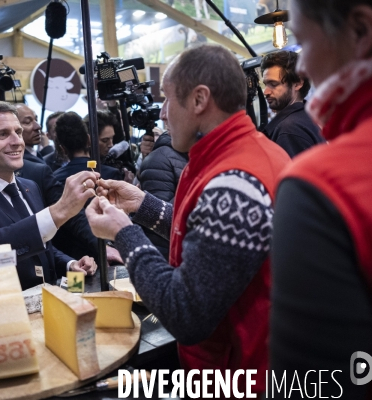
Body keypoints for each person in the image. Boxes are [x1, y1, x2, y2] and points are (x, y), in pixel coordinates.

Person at [85, 44, 290, 395]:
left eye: (168, 100)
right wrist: (145, 206)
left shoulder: (235, 182)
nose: (163, 113)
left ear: (199, 100)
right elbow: (217, 243)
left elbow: (186, 314)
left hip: (241, 375)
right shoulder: (246, 153)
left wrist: (124, 233)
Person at [270, 1, 372, 398]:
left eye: (302, 43)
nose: (303, 69)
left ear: (361, 32)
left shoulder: (321, 185)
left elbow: (311, 387)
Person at [0, 102, 98, 309]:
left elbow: (39, 245)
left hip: (45, 309)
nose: (17, 141)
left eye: (18, 132)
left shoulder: (29, 186)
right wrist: (57, 212)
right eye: (3, 135)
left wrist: (70, 264)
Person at [261, 50, 325, 157]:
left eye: (273, 84)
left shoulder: (289, 129)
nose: (266, 92)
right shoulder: (308, 118)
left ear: (298, 83)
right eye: (265, 84)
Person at [137, 130, 189, 259]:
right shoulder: (159, 159)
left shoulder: (201, 155)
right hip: (172, 258)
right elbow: (156, 226)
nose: (163, 114)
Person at [53, 112, 123, 184]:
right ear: (89, 139)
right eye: (105, 140)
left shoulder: (55, 179)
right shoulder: (110, 174)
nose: (111, 145)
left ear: (63, 149)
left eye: (112, 138)